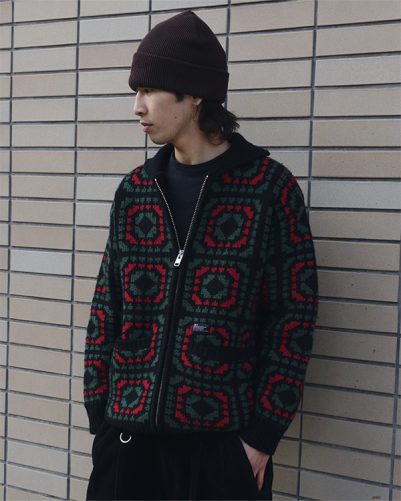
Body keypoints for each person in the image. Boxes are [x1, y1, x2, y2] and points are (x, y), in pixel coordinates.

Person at [83, 10, 319, 501]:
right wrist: (100, 415)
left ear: (194, 96)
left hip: (220, 452)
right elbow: (106, 308)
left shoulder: (269, 189)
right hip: (128, 443)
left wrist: (259, 439)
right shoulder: (136, 190)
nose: (137, 106)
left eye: (149, 90)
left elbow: (293, 319)